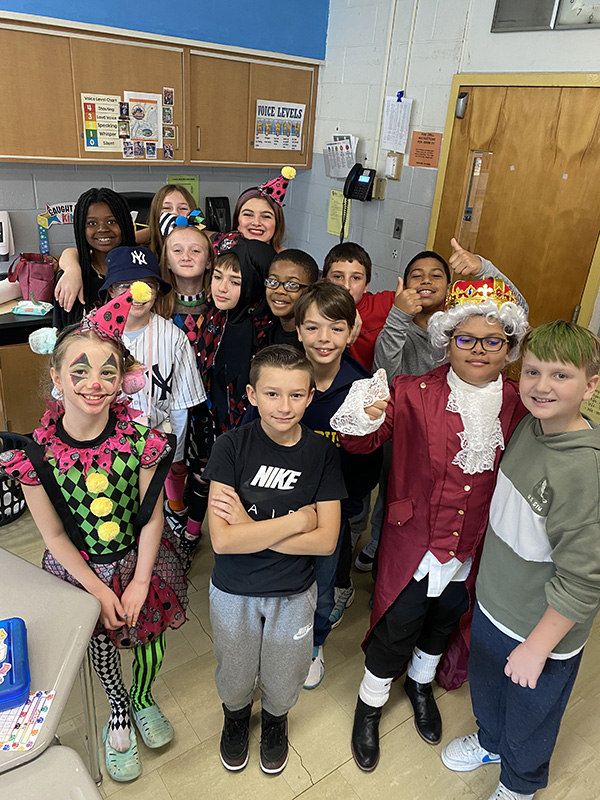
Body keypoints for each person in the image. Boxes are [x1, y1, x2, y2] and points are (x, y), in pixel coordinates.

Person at [331, 278, 529, 771]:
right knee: (396, 627)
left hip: (475, 547)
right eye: (465, 339)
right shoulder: (411, 391)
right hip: (412, 541)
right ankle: (370, 705)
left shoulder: (518, 402)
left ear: (509, 347)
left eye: (493, 340)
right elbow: (358, 444)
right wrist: (363, 414)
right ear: (446, 340)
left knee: (443, 622)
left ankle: (420, 684)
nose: (478, 350)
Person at [0, 283, 188, 783]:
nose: (94, 383)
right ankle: (119, 705)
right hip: (81, 569)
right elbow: (56, 539)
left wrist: (141, 581)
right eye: (79, 371)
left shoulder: (140, 440)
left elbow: (151, 515)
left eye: (108, 371)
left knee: (149, 639)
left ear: (124, 378)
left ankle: (144, 696)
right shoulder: (35, 458)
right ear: (56, 378)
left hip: (140, 557)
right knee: (100, 643)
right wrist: (101, 588)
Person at [442, 320, 600, 800]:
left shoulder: (584, 471)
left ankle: (520, 782)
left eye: (560, 376)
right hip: (495, 603)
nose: (541, 386)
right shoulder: (531, 424)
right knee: (488, 688)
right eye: (532, 372)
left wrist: (538, 647)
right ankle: (491, 741)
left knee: (532, 714)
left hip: (541, 628)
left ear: (591, 385)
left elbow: (585, 581)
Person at [203, 345, 346, 774]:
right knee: (235, 667)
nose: (285, 406)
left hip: (293, 591)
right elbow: (224, 542)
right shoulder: (230, 447)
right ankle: (235, 717)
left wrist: (251, 527)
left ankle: (276, 721)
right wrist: (297, 520)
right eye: (272, 394)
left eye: (296, 395)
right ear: (251, 394)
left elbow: (325, 542)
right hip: (234, 588)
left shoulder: (321, 453)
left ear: (309, 396)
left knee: (286, 668)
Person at [354, 239, 529, 572]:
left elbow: (517, 310)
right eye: (416, 275)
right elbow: (385, 372)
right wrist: (398, 316)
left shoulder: (466, 321)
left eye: (436, 275)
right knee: (397, 485)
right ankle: (382, 540)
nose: (426, 281)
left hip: (458, 418)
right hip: (405, 420)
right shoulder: (400, 326)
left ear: (450, 289)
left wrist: (483, 268)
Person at [294, 282, 382, 688]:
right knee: (286, 580)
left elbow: (369, 464)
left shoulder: (363, 389)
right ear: (297, 331)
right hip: (285, 507)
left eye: (334, 328)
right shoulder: (285, 379)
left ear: (351, 332)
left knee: (324, 588)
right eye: (312, 328)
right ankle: (282, 641)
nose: (323, 339)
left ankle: (315, 643)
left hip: (336, 512)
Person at [99, 246, 206, 553]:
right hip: (107, 440)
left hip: (157, 437)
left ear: (157, 290)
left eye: (148, 284)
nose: (137, 293)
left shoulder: (173, 336)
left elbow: (182, 402)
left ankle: (163, 542)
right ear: (110, 291)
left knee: (153, 505)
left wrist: (174, 450)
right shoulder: (93, 332)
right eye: (124, 286)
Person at [158, 222, 215, 557]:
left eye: (196, 249)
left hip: (210, 403)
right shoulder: (157, 307)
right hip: (172, 401)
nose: (187, 256)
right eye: (177, 250)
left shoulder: (220, 301)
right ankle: (176, 512)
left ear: (209, 259)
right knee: (173, 462)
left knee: (205, 469)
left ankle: (193, 533)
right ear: (165, 260)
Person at [197, 238, 276, 432]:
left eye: (235, 281)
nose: (222, 288)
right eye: (217, 277)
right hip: (212, 426)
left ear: (255, 284)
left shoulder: (267, 332)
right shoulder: (215, 316)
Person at [53, 188, 136, 328]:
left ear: (125, 224)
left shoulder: (142, 272)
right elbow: (61, 337)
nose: (102, 229)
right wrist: (72, 269)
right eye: (91, 223)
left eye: (112, 222)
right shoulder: (71, 279)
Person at [323, 242, 394, 371]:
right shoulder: (314, 306)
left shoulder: (382, 303)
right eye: (338, 277)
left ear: (366, 285)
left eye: (356, 278)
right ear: (324, 280)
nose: (346, 286)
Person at [211, 167, 295, 254]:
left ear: (278, 223)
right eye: (248, 215)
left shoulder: (284, 261)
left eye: (266, 216)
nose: (256, 222)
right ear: (237, 219)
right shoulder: (221, 252)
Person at [264, 249, 319, 350]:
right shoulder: (267, 328)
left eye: (292, 285)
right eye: (273, 281)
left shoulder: (313, 342)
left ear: (311, 290)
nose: (280, 290)